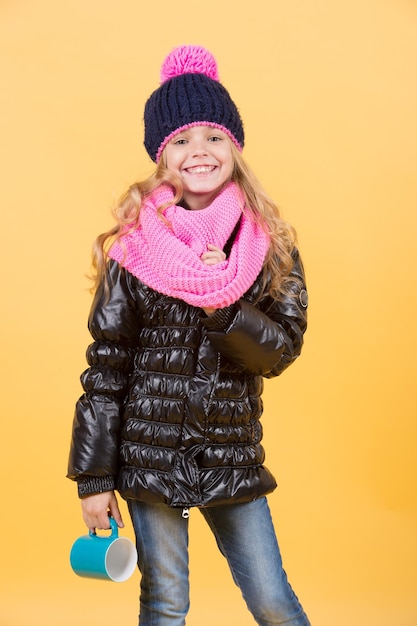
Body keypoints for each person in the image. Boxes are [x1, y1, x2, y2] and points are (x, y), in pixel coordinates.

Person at [67, 44, 311, 626]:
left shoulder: (268, 245)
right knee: (166, 602)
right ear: (161, 155)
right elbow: (106, 366)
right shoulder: (132, 247)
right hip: (147, 458)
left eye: (214, 137)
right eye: (181, 139)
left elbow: (281, 351)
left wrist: (223, 305)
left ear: (235, 148)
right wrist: (94, 476)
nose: (198, 152)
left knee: (273, 601)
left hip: (231, 453)